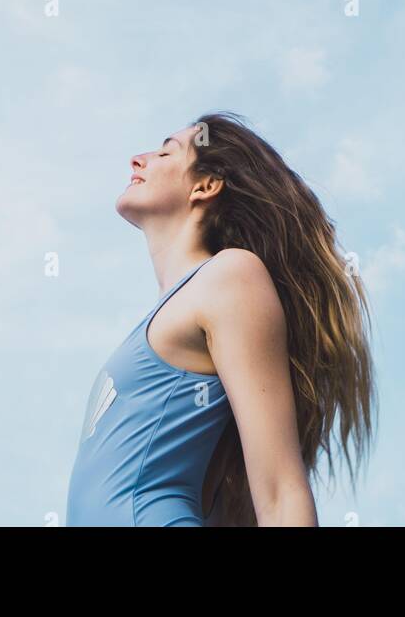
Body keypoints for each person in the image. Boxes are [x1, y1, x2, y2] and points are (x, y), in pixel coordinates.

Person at [65, 112, 377, 527]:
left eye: (164, 151)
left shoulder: (231, 276)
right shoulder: (168, 313)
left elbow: (281, 490)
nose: (138, 160)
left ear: (205, 185)